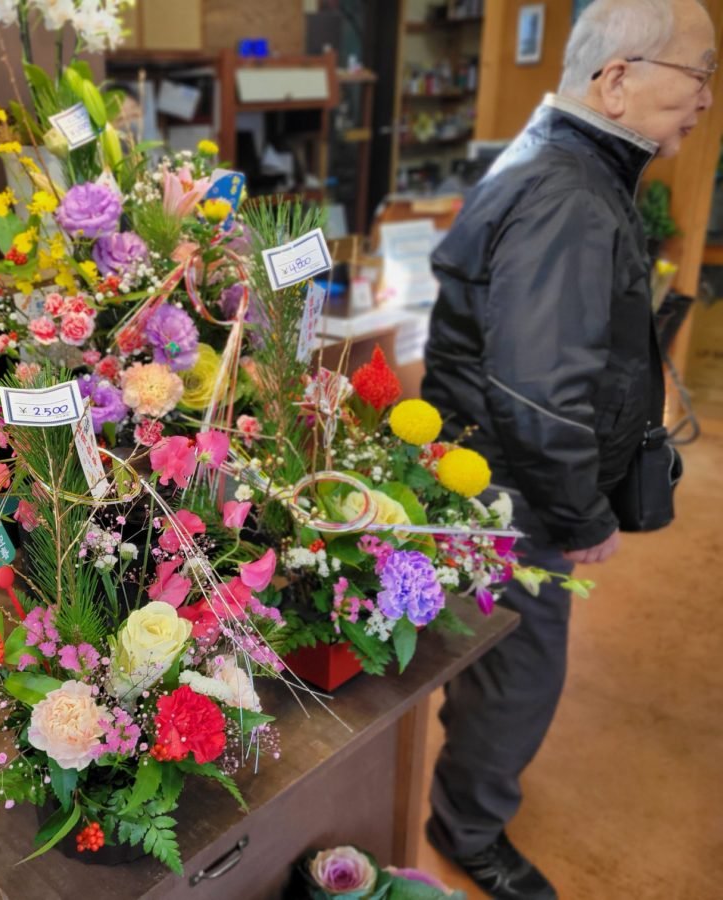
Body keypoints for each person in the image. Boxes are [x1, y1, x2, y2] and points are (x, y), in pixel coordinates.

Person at [421, 1, 715, 898]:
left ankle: (466, 790)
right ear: (616, 80)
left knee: (495, 657)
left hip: (486, 469)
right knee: (522, 673)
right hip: (514, 488)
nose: (707, 99)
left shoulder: (562, 160)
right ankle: (467, 828)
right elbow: (535, 391)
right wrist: (582, 515)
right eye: (699, 74)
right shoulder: (571, 194)